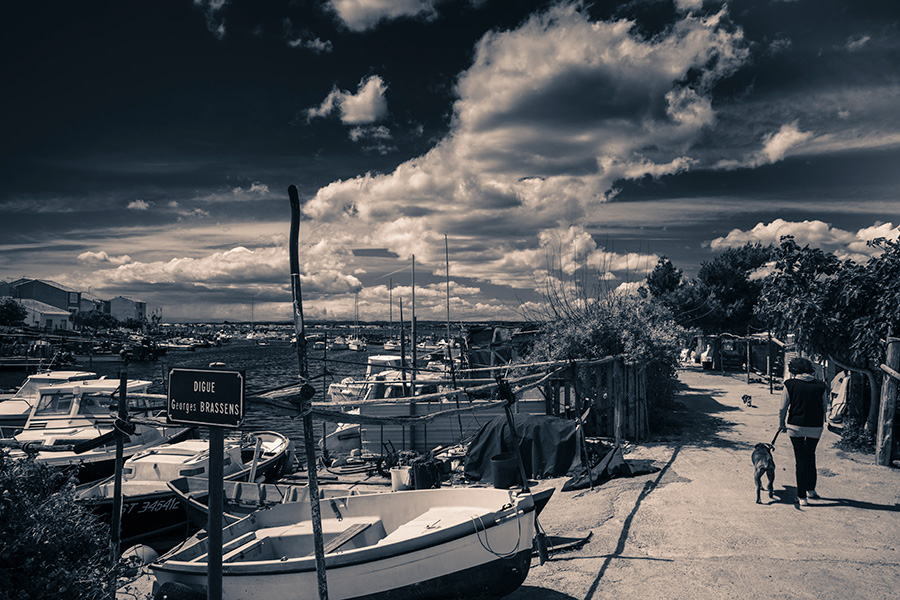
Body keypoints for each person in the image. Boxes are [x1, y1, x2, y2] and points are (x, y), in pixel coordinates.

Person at [779, 356, 829, 506]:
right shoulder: (821, 385)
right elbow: (825, 406)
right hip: (815, 427)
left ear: (794, 370)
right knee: (810, 456)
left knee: (800, 460)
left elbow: (783, 407)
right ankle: (811, 490)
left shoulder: (789, 384)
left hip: (795, 426)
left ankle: (802, 497)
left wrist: (781, 423)